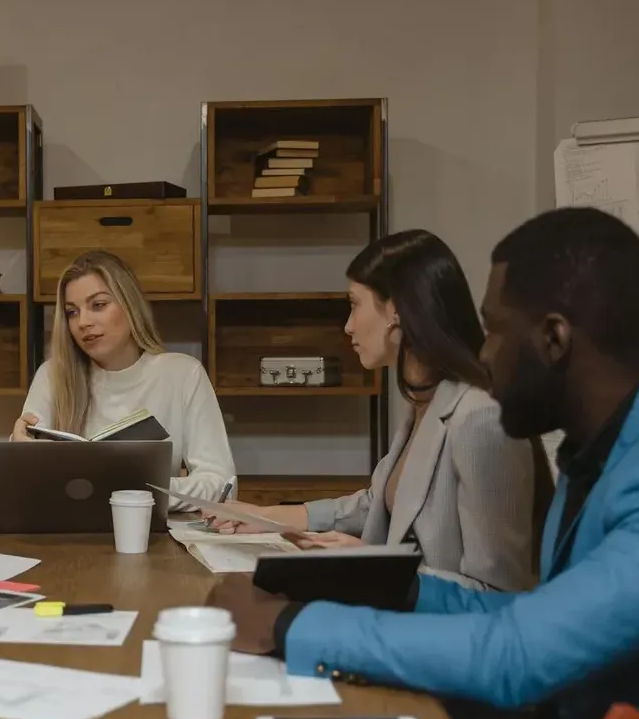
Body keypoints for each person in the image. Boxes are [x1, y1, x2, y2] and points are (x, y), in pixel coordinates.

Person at [206, 207, 639, 719]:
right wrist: (375, 586)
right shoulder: (609, 443)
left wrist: (287, 626)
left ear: (554, 339)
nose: (482, 354)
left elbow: (522, 651)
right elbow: (532, 612)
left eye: (496, 329)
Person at [211, 230, 551, 591]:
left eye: (355, 304)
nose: (348, 325)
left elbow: (500, 594)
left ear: (396, 312)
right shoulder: (424, 402)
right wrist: (268, 517)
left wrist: (370, 565)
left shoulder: (480, 418)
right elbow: (378, 503)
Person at [9, 250, 234, 507]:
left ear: (129, 305)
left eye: (98, 305)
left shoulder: (183, 374)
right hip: (69, 532)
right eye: (72, 312)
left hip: (151, 533)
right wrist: (18, 452)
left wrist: (137, 493)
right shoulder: (52, 375)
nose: (83, 322)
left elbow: (221, 484)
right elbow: (23, 485)